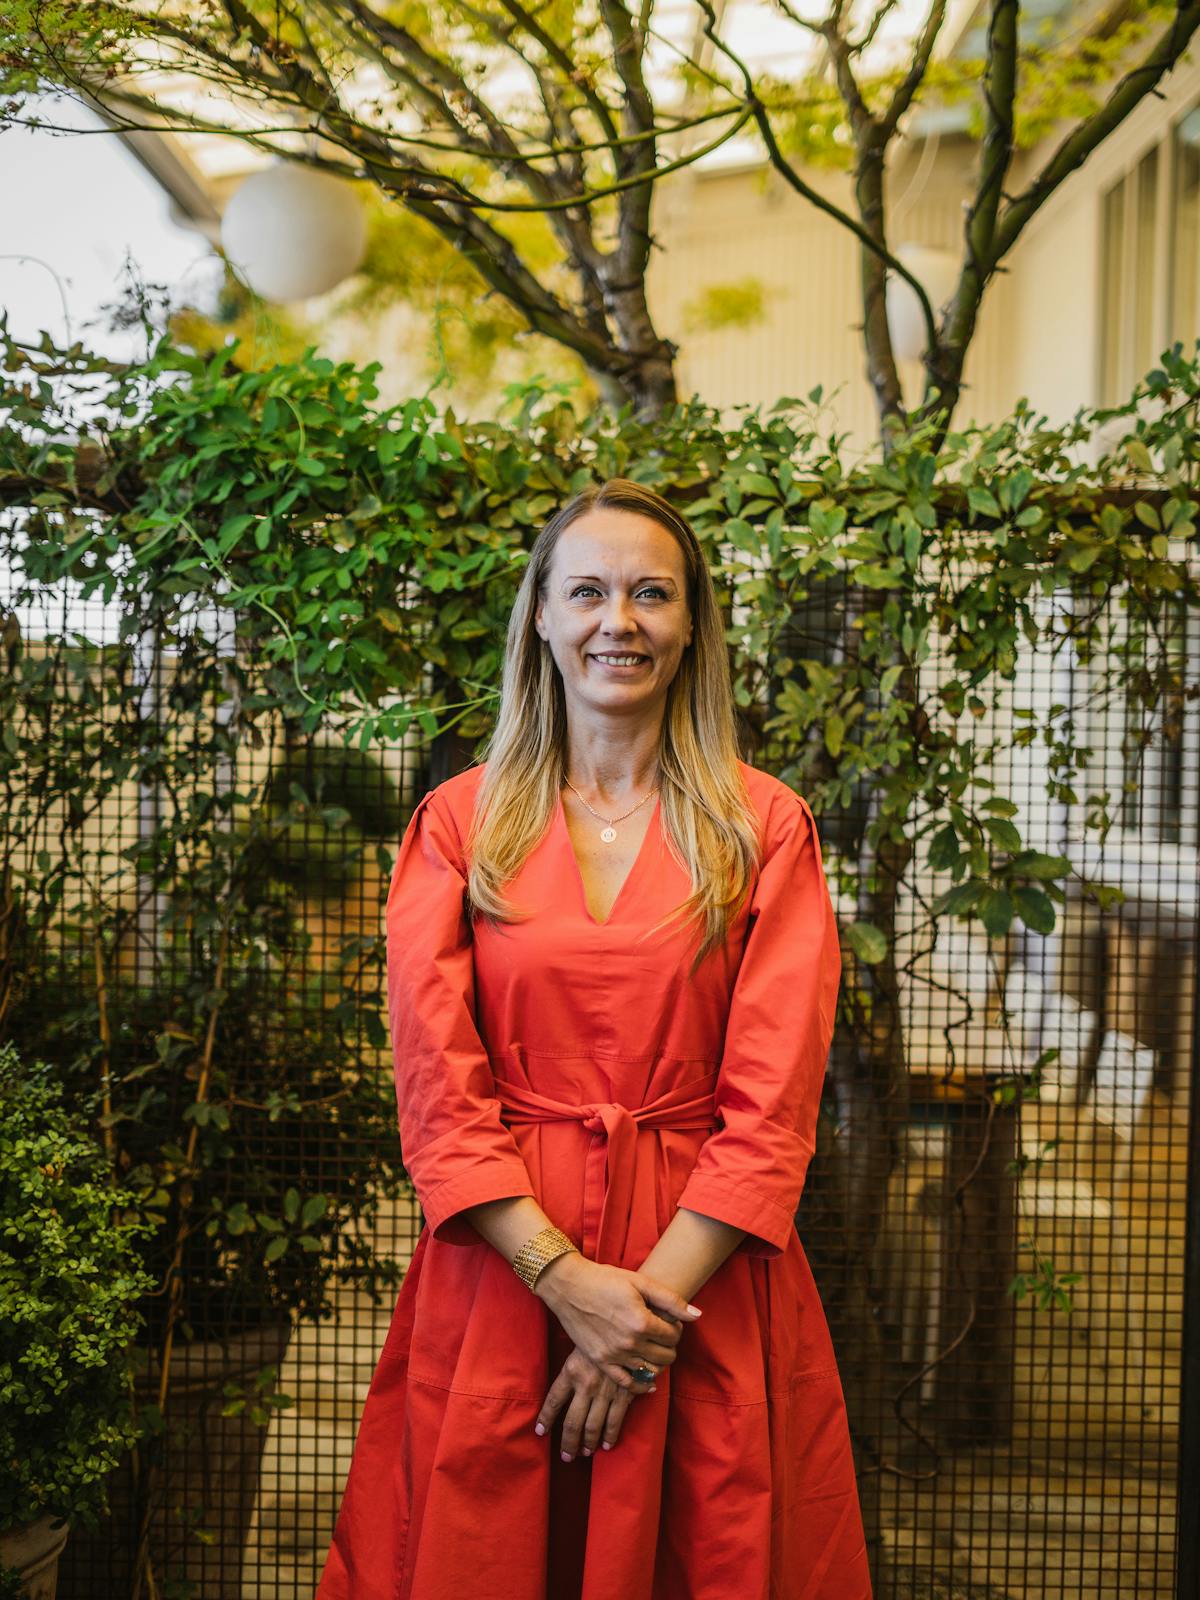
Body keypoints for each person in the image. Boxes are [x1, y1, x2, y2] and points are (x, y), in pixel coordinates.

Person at [315, 478, 873, 1600]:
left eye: (650, 594)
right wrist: (564, 1281)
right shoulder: (460, 824)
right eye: (588, 591)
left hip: (700, 1282)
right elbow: (436, 1087)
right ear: (541, 616)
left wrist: (641, 1318)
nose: (618, 620)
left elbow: (776, 1101)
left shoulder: (765, 827)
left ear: (691, 624)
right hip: (505, 1281)